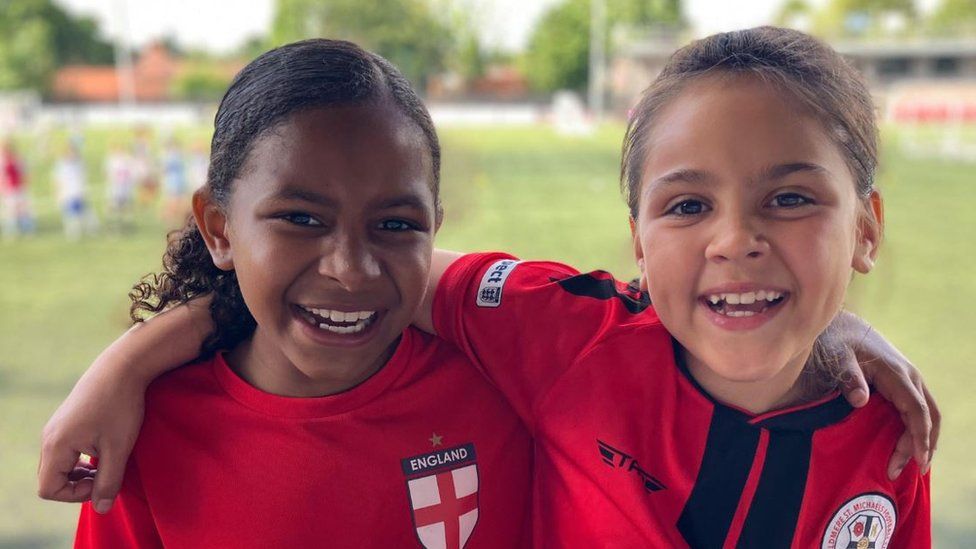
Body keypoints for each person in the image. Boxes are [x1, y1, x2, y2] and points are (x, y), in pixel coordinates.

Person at [39, 29, 938, 548]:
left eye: (790, 199)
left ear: (865, 225)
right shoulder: (555, 342)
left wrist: (832, 330)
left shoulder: (890, 438)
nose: (737, 238)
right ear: (637, 240)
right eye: (689, 203)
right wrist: (126, 365)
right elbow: (371, 278)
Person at [69, 39, 531, 548]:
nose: (351, 271)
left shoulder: (505, 391)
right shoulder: (145, 439)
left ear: (435, 229)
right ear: (219, 230)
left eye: (396, 224)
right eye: (301, 219)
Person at [53, 144, 97, 239]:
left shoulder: (80, 163)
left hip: (79, 192)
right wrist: (58, 194)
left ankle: (91, 231)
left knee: (87, 214)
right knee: (72, 216)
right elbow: (57, 181)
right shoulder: (61, 165)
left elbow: (83, 177)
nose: (72, 155)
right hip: (68, 194)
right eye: (70, 153)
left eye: (74, 152)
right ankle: (73, 234)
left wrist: (84, 190)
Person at [0, 139, 34, 239]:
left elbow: (25, 172)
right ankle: (11, 231)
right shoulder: (2, 161)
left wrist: (26, 183)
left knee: (23, 211)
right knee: (11, 212)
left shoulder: (18, 159)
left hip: (19, 187)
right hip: (9, 189)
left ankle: (27, 229)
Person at [104, 143, 135, 233]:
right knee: (113, 208)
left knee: (123, 209)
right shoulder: (111, 160)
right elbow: (107, 174)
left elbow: (131, 174)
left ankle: (123, 226)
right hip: (114, 189)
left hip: (124, 189)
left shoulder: (127, 160)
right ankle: (111, 226)